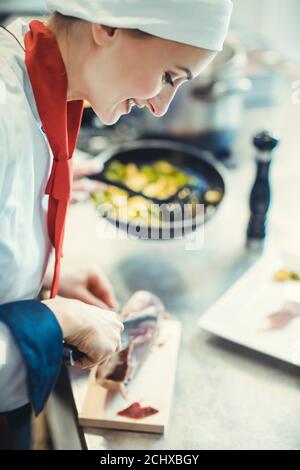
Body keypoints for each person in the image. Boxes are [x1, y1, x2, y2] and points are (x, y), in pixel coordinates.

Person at [0, 0, 233, 449]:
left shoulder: (36, 73)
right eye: (169, 77)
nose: (162, 107)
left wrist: (39, 270)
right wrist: (54, 320)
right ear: (107, 25)